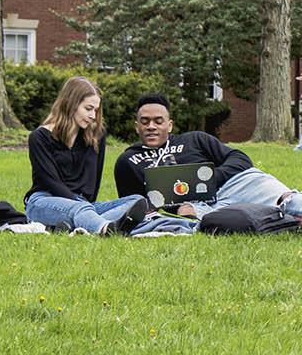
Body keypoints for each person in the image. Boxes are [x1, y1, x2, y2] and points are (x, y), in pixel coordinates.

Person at [115, 93, 302, 236]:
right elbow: (134, 206)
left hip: (234, 185)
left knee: (280, 195)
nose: (151, 126)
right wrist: (174, 211)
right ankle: (292, 221)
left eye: (158, 121)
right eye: (145, 121)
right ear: (136, 126)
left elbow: (240, 159)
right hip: (197, 206)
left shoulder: (194, 139)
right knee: (212, 220)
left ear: (169, 125)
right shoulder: (128, 161)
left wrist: (210, 179)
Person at [24, 77, 195, 237]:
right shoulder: (40, 137)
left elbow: (92, 187)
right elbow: (51, 183)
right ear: (70, 104)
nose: (92, 115)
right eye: (88, 109)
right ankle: (105, 229)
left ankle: (68, 226)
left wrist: (88, 206)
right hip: (44, 201)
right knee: (81, 210)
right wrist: (83, 206)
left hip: (87, 206)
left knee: (137, 201)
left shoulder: (96, 136)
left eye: (96, 110)